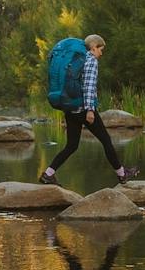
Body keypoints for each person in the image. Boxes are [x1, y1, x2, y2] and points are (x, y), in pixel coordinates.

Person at [40, 33, 137, 186]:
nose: (101, 53)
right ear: (93, 48)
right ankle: (122, 174)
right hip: (84, 109)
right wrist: (90, 110)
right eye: (101, 49)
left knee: (72, 145)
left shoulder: (77, 60)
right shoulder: (90, 61)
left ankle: (48, 174)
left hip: (70, 108)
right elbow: (89, 86)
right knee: (106, 140)